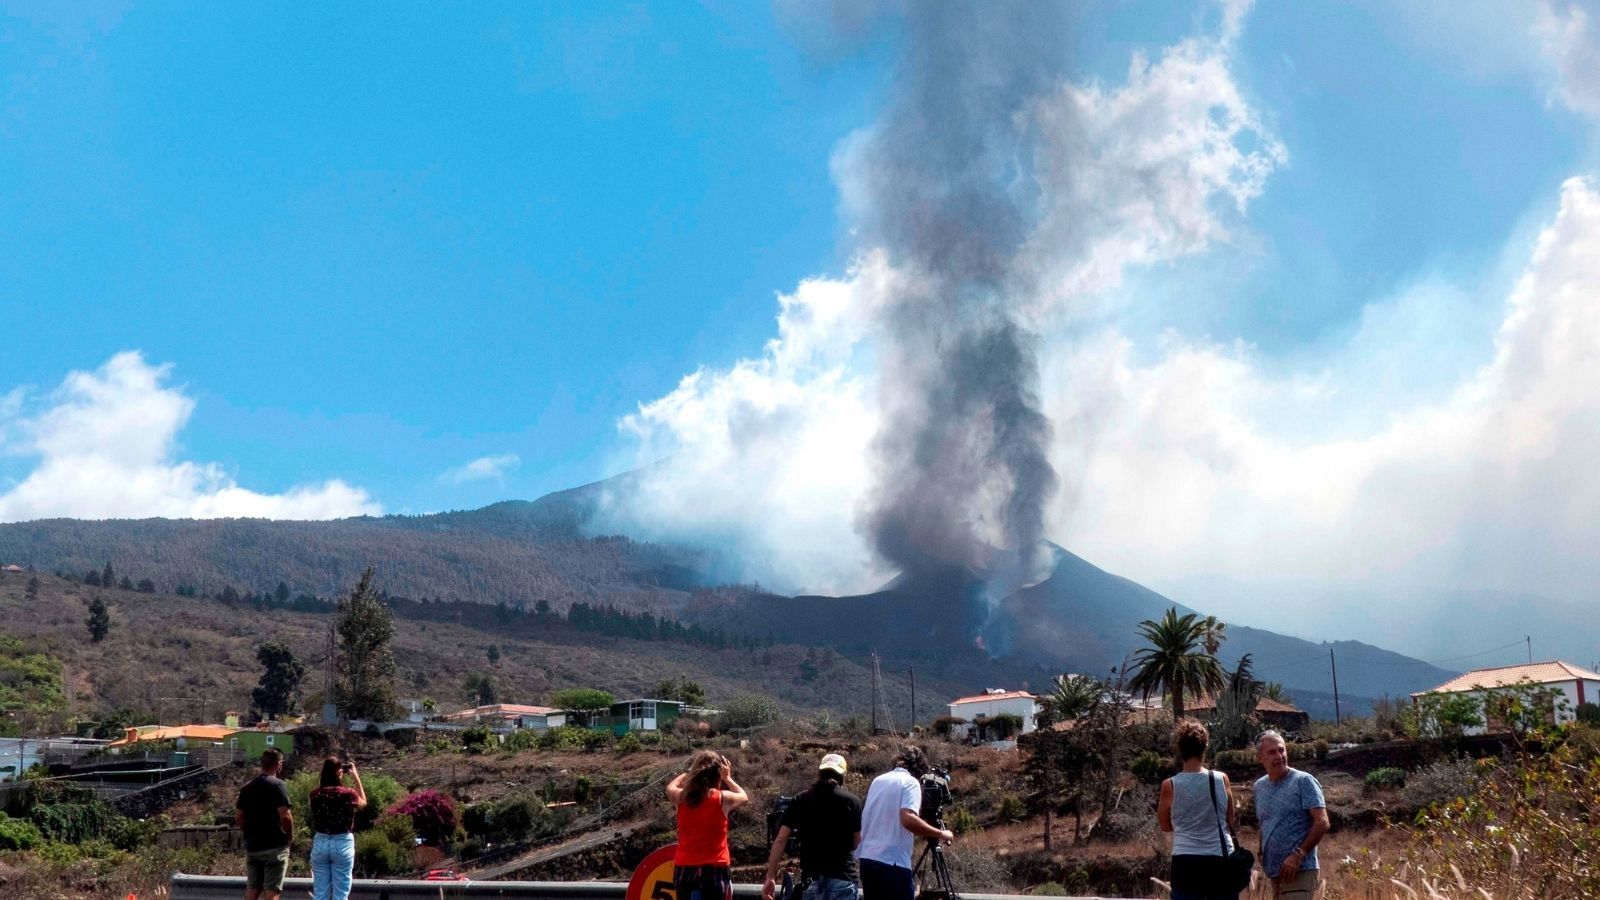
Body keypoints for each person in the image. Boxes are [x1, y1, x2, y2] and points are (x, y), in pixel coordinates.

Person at [1157, 719, 1241, 900]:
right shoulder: (1221, 779)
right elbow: (1229, 820)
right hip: (1220, 857)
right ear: (1205, 747)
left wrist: (1185, 826)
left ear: (1179, 749)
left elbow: (1164, 825)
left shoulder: (1170, 785)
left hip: (1185, 860)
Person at [855, 746, 953, 900]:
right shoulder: (910, 782)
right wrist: (940, 833)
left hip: (868, 860)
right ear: (920, 769)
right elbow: (907, 818)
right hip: (892, 863)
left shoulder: (878, 780)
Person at [762, 753, 863, 900]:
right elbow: (855, 843)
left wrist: (770, 877)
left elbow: (780, 839)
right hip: (842, 878)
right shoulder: (853, 801)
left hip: (811, 879)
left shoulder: (800, 799)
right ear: (842, 775)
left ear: (819, 773)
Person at [1254, 730, 1329, 898]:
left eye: (1281, 750)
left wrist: (1298, 855)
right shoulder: (1259, 787)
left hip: (1300, 871)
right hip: (1273, 874)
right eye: (1272, 752)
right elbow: (1264, 822)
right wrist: (1261, 851)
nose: (1279, 756)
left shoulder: (1303, 781)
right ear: (1260, 757)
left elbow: (1322, 822)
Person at [668, 750, 749, 900]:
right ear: (717, 775)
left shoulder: (681, 798)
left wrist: (689, 773)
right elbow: (744, 797)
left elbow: (670, 787)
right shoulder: (722, 799)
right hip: (715, 869)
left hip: (685, 869)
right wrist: (728, 778)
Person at [308, 755, 368, 900]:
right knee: (340, 894)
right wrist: (355, 777)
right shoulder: (348, 794)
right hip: (342, 842)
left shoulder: (315, 794)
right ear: (340, 772)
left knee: (320, 893)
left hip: (321, 841)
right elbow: (363, 803)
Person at [236, 748, 293, 900]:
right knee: (272, 891)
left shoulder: (247, 787)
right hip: (275, 846)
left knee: (253, 889)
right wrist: (289, 836)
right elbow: (285, 816)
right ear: (279, 764)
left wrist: (249, 831)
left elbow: (239, 817)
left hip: (254, 846)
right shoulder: (278, 785)